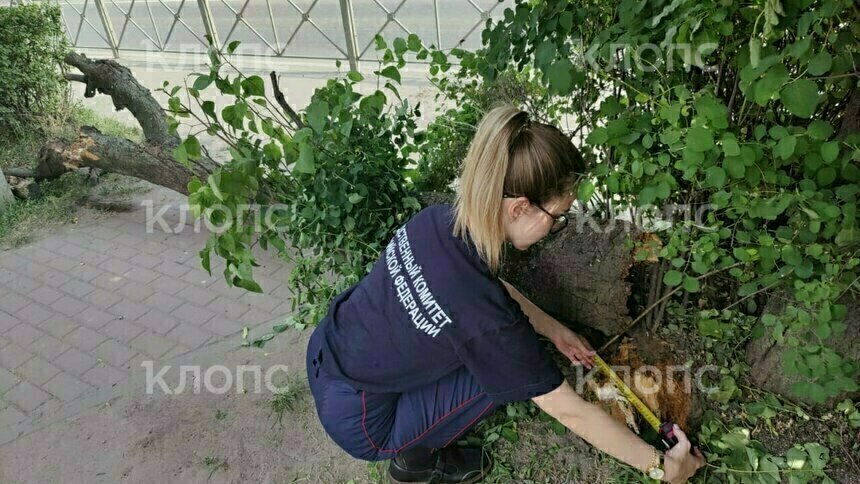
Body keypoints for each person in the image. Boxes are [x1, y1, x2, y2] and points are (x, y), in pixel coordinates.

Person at [306, 105, 705, 483]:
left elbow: (488, 289)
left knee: (485, 352)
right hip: (362, 422)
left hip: (326, 348)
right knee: (497, 375)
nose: (556, 227)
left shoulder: (437, 222)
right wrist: (661, 467)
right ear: (519, 208)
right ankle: (415, 462)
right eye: (558, 216)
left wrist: (555, 330)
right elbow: (570, 411)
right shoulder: (488, 320)